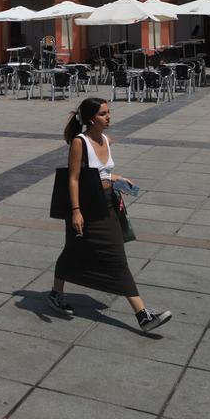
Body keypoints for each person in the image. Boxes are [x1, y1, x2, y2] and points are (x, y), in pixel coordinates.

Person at [50, 97, 172, 332]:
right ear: (90, 119)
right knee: (113, 255)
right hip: (86, 207)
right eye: (103, 114)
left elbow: (100, 173)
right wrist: (75, 212)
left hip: (107, 204)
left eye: (109, 112)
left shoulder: (106, 139)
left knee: (76, 250)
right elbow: (73, 180)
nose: (108, 117)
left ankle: (55, 293)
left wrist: (117, 179)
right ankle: (143, 314)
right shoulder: (80, 142)